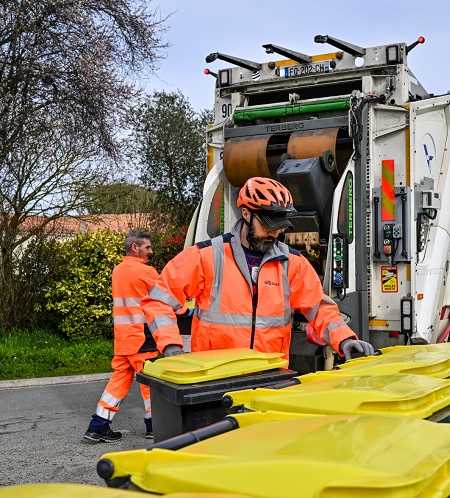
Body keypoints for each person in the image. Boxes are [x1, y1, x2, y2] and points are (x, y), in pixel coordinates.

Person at [141, 177, 374, 362]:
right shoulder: (206, 257)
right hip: (216, 380)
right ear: (246, 214)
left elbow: (320, 310)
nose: (275, 233)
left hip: (269, 378)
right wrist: (171, 346)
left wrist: (344, 339)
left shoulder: (292, 263)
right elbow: (158, 301)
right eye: (267, 226)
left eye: (279, 227)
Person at [83, 230, 160, 443]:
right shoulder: (146, 272)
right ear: (135, 248)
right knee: (150, 383)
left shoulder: (117, 270)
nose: (151, 251)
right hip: (142, 337)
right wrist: (187, 311)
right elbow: (166, 299)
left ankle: (97, 426)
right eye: (147, 247)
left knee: (117, 383)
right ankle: (155, 426)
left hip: (123, 337)